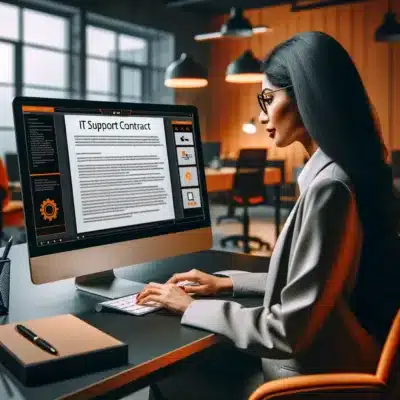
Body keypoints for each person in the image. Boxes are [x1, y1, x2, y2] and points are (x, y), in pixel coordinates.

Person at [137, 31, 399, 397]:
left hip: (304, 380)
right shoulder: (347, 173)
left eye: (268, 98)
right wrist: (227, 283)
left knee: (167, 377)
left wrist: (191, 307)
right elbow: (321, 282)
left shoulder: (330, 189)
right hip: (341, 359)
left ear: (307, 95)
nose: (262, 116)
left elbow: (285, 332)